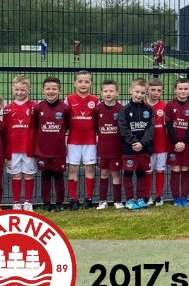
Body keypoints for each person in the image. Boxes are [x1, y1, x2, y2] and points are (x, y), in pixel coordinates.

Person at [32, 77, 71, 212]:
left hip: (58, 150)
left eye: (54, 89)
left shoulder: (65, 108)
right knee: (45, 176)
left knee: (59, 176)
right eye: (48, 89)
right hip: (42, 150)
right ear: (43, 90)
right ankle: (46, 202)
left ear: (60, 91)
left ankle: (59, 202)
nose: (51, 92)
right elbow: (36, 126)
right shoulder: (38, 108)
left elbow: (66, 126)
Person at [119, 78, 154, 210]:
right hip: (129, 148)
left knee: (141, 173)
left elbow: (151, 129)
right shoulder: (125, 110)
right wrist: (134, 142)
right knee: (128, 173)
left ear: (146, 94)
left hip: (144, 148)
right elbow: (123, 128)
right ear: (130, 91)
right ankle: (129, 200)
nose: (139, 95)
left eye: (142, 93)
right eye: (137, 92)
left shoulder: (149, 110)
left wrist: (142, 143)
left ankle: (140, 198)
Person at [4, 75, 36, 211]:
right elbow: (5, 130)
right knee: (16, 175)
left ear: (29, 89)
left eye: (23, 90)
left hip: (29, 148)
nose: (19, 93)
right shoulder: (8, 108)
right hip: (13, 149)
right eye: (16, 89)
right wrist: (6, 152)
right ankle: (16, 202)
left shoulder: (34, 106)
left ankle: (28, 202)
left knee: (28, 174)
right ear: (12, 89)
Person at [66, 70, 97, 210]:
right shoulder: (69, 99)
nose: (83, 84)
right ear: (74, 83)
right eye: (80, 81)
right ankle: (73, 199)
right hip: (73, 141)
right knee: (72, 168)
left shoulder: (95, 100)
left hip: (90, 141)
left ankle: (88, 198)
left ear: (91, 83)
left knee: (90, 168)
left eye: (86, 82)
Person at [166, 78, 189, 207]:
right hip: (173, 144)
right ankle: (176, 197)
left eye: (185, 89)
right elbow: (168, 125)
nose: (183, 91)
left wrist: (184, 142)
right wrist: (176, 142)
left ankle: (184, 197)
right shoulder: (170, 105)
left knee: (185, 169)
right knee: (175, 169)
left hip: (186, 144)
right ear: (175, 90)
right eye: (180, 89)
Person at [94, 80, 124, 210]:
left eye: (111, 91)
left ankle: (117, 201)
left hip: (116, 149)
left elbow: (123, 129)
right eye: (105, 91)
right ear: (101, 93)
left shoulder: (121, 109)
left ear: (117, 93)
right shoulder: (97, 109)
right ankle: (102, 200)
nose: (108, 93)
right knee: (104, 173)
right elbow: (95, 127)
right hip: (103, 149)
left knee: (116, 174)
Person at [145, 78, 168, 206]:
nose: (155, 92)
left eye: (158, 90)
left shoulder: (165, 107)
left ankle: (159, 196)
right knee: (148, 171)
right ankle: (146, 196)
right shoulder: (142, 105)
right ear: (147, 90)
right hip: (147, 146)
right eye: (153, 90)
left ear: (162, 92)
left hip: (161, 145)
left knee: (160, 170)